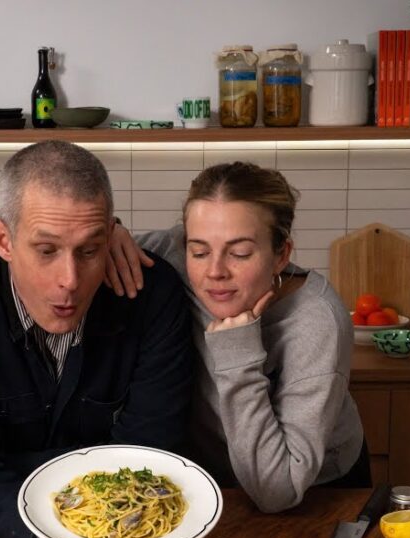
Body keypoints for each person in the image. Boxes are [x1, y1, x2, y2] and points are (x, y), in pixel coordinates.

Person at [0, 140, 193, 538]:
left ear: (111, 237)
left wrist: (16, 467)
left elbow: (148, 454)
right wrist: (60, 534)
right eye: (46, 250)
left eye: (89, 250)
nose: (70, 280)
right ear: (3, 240)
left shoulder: (153, 295)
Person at [108, 162, 369, 513]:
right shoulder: (172, 256)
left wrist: (237, 351)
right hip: (214, 482)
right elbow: (101, 245)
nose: (215, 271)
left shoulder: (316, 322)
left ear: (281, 255)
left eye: (240, 253)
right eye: (199, 251)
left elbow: (277, 490)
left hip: (317, 494)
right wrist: (111, 230)